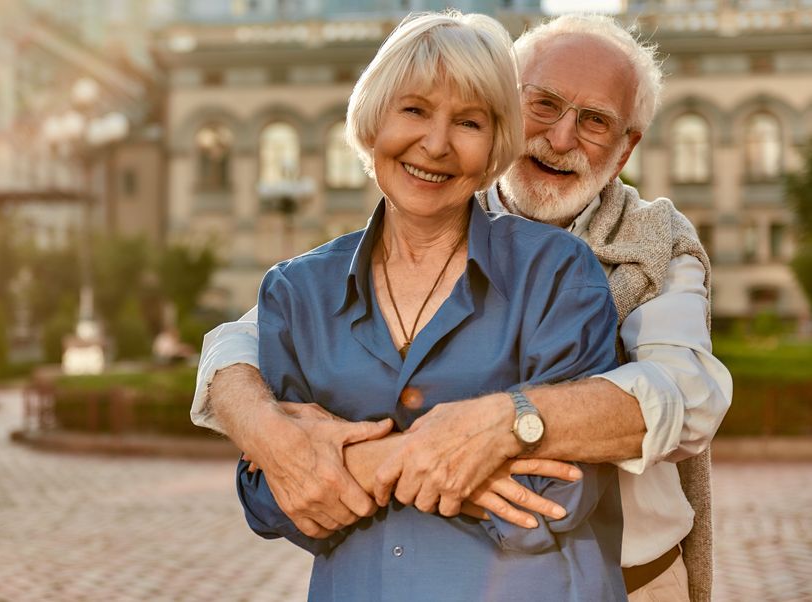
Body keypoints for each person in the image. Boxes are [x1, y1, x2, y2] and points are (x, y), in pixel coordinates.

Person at [192, 12, 732, 602]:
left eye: (596, 121)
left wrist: (502, 423)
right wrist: (269, 431)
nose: (560, 138)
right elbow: (242, 344)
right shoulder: (411, 213)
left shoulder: (648, 244)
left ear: (626, 147)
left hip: (624, 579)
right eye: (543, 104)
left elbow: (686, 393)